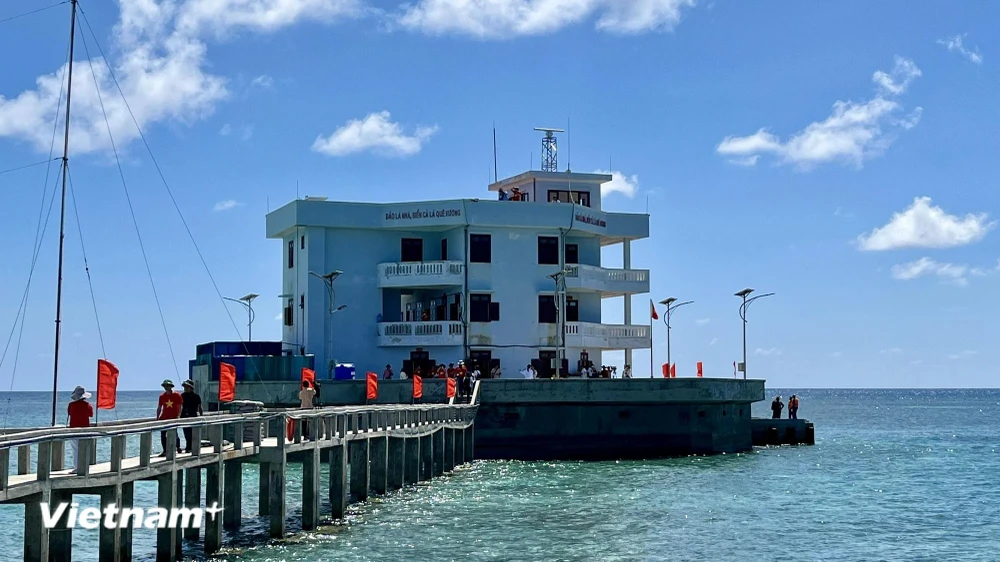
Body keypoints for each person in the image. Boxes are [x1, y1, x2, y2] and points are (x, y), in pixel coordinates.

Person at [67, 386, 93, 473]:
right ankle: (85, 466)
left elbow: (69, 413)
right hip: (85, 430)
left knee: (75, 449)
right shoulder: (88, 405)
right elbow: (91, 414)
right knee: (85, 448)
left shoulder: (71, 405)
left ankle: (77, 467)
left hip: (73, 430)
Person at [156, 379, 183, 456]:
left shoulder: (177, 395)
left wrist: (178, 416)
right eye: (165, 386)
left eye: (167, 385)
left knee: (175, 433)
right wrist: (157, 418)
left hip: (173, 417)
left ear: (171, 386)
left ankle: (178, 447)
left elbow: (180, 406)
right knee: (163, 435)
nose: (166, 387)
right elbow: (159, 407)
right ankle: (164, 450)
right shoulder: (162, 396)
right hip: (164, 417)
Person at [180, 380, 203, 453]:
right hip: (184, 416)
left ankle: (191, 447)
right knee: (186, 433)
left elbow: (200, 407)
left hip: (193, 416)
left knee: (193, 433)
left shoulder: (196, 396)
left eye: (187, 387)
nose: (185, 388)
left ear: (191, 387)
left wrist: (201, 416)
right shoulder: (182, 396)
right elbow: (180, 407)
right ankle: (188, 447)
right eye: (184, 387)